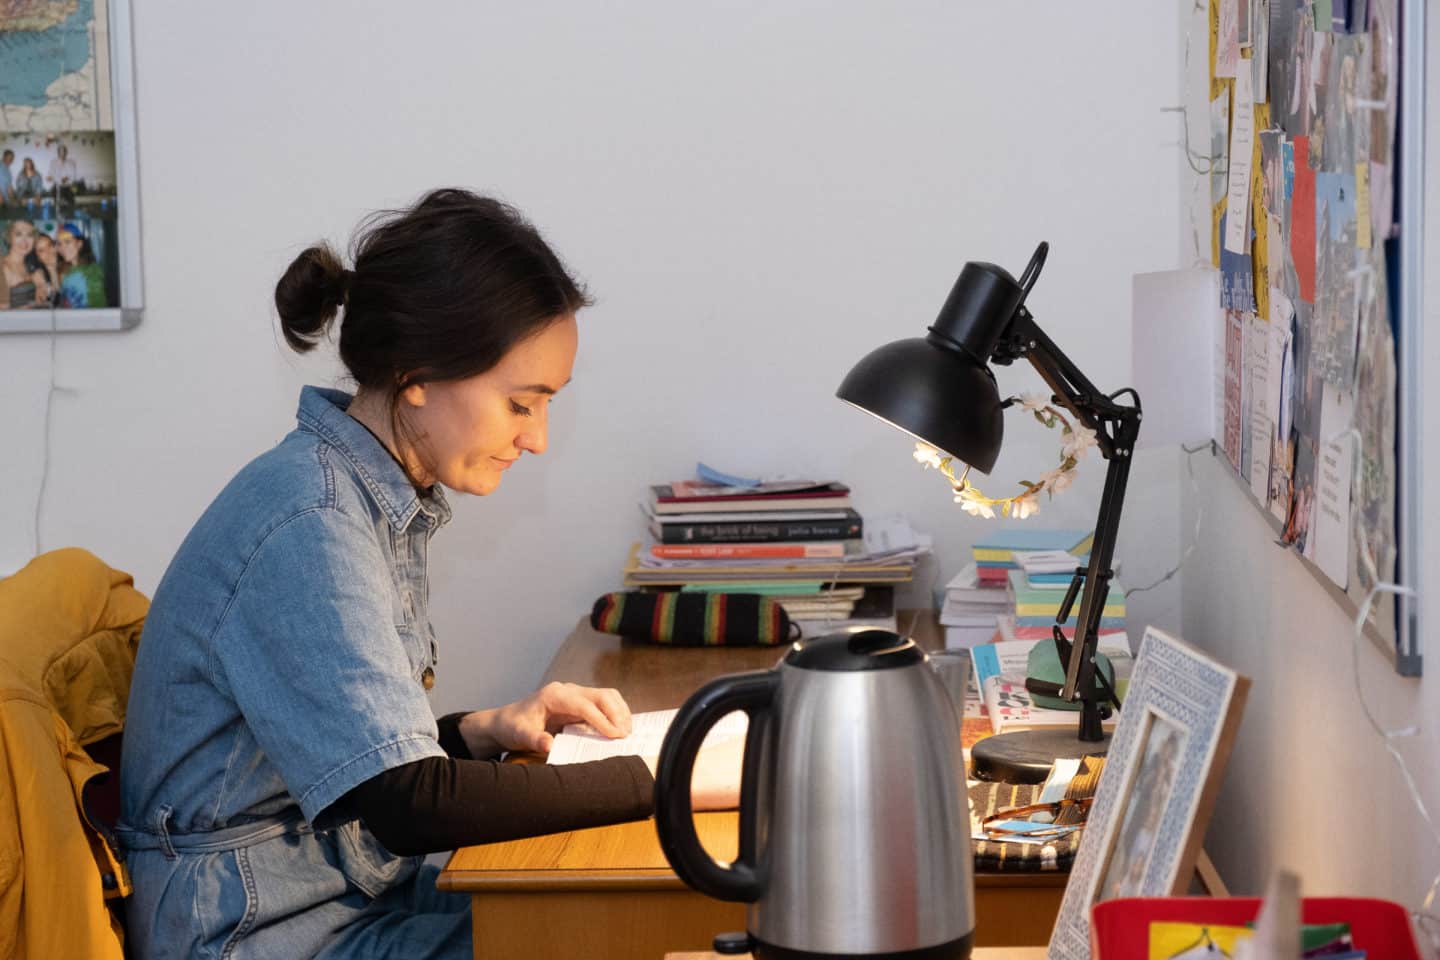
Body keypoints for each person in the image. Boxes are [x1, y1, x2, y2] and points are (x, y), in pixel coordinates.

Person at [117, 188, 740, 960]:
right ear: (417, 375)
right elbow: (407, 806)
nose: (537, 439)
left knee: (632, 929)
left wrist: (479, 733)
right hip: (252, 933)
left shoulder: (357, 491)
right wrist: (665, 773)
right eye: (521, 404)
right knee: (620, 936)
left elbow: (350, 764)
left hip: (327, 897)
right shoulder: (310, 521)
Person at [55, 222, 107, 307]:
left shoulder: (92, 270)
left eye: (67, 242)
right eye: (59, 244)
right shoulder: (65, 270)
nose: (62, 248)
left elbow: (98, 307)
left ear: (79, 244)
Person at [1, 219, 48, 309]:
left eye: (29, 235)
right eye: (18, 234)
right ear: (9, 237)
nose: (24, 241)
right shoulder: (3, 267)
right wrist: (31, 306)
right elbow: (3, 314)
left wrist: (41, 288)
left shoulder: (32, 266)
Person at [27, 230, 61, 305]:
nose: (48, 251)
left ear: (55, 246)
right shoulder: (38, 275)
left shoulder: (66, 265)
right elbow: (54, 302)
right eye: (41, 250)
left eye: (49, 245)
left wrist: (52, 270)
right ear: (38, 257)